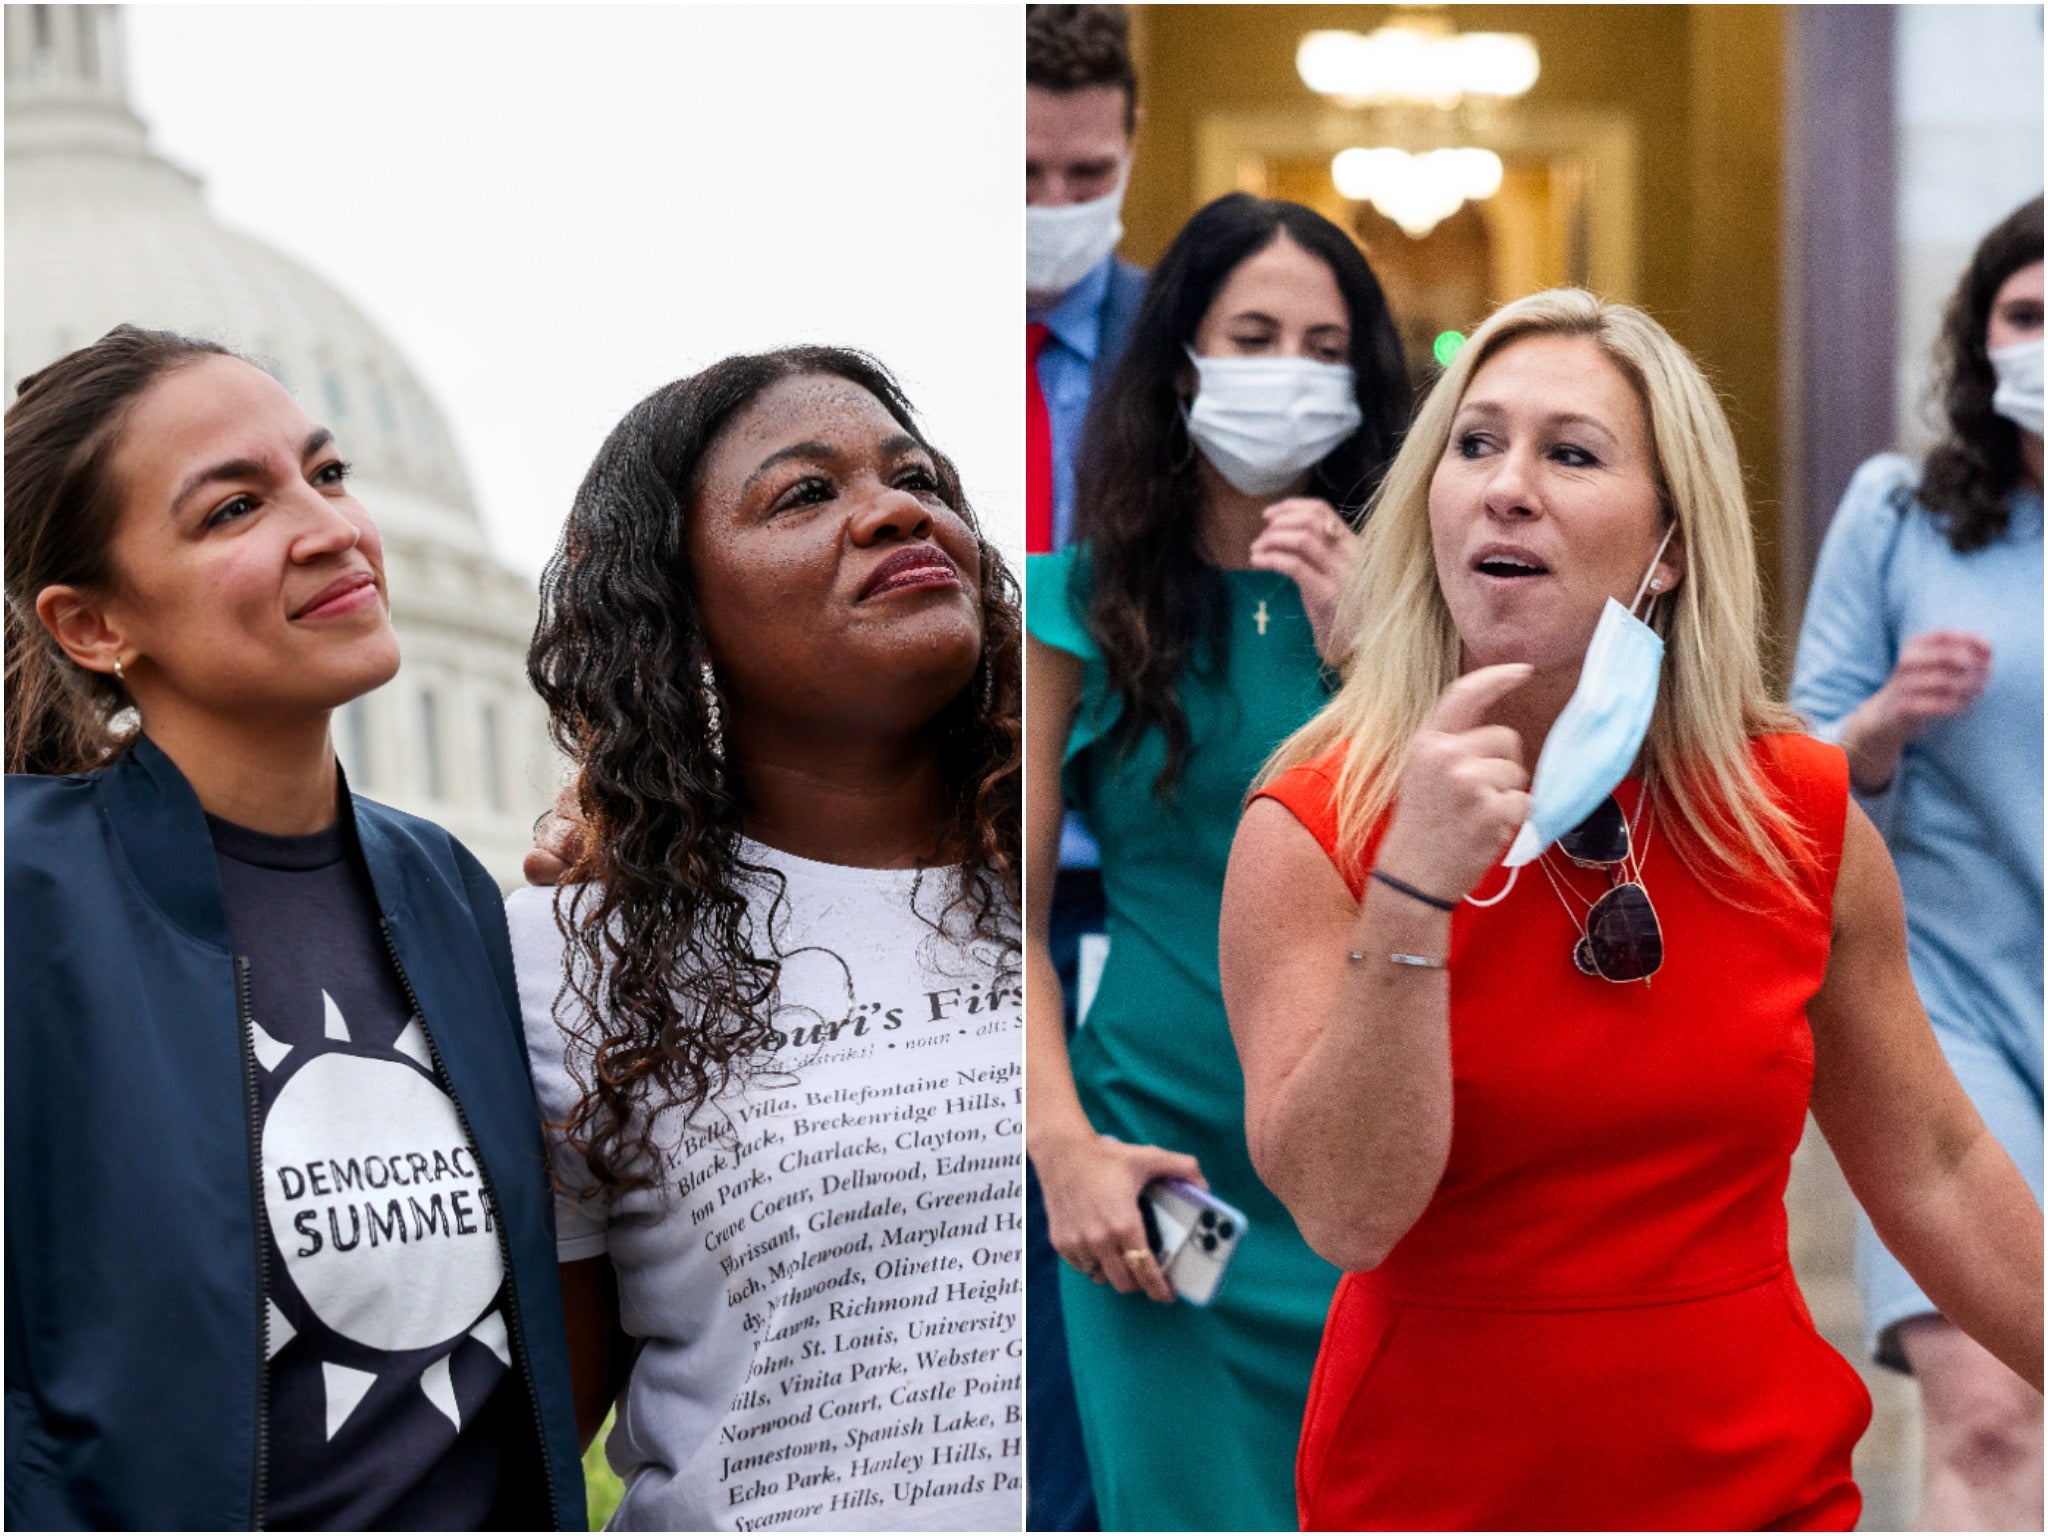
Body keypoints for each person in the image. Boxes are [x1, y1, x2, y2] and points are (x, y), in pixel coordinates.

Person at [1223, 288, 2042, 1531]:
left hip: (1760, 1490)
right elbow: (1344, 1212)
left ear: (1666, 547)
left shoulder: (1794, 813)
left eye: (1570, 453)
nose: (1505, 487)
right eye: (1474, 442)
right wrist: (1415, 886)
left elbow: (1931, 1165)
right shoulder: (1308, 823)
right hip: (1433, 1495)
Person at [3, 326, 585, 1530]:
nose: (331, 529)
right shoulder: (27, 902)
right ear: (92, 626)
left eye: (326, 474)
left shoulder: (453, 898)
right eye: (232, 510)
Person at [510, 348, 1023, 1532]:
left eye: (918, 479)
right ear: (676, 614)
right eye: (804, 495)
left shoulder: (1083, 864)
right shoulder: (569, 961)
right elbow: (522, 1441)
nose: (895, 511)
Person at [1026, 193, 1409, 1530]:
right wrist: (1062, 1145)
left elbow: (1488, 874)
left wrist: (1379, 649)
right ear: (1183, 359)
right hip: (1161, 1191)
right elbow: (989, 916)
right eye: (1255, 335)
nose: (1290, 375)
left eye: (1324, 347)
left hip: (1381, 1183)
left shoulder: (1427, 614)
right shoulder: (1065, 608)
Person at [1791, 195, 2044, 1532]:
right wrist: (1882, 725)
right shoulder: (1899, 514)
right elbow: (1796, 767)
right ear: (1980, 338)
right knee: (1992, 1410)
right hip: (1950, 1009)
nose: (2046, 343)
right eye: (2026, 315)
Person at [1025, 7, 1147, 1527]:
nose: (1055, 208)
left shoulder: (1194, 344)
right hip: (945, 865)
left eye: (1085, 171)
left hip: (1136, 888)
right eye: (1026, 171)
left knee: (1139, 1264)